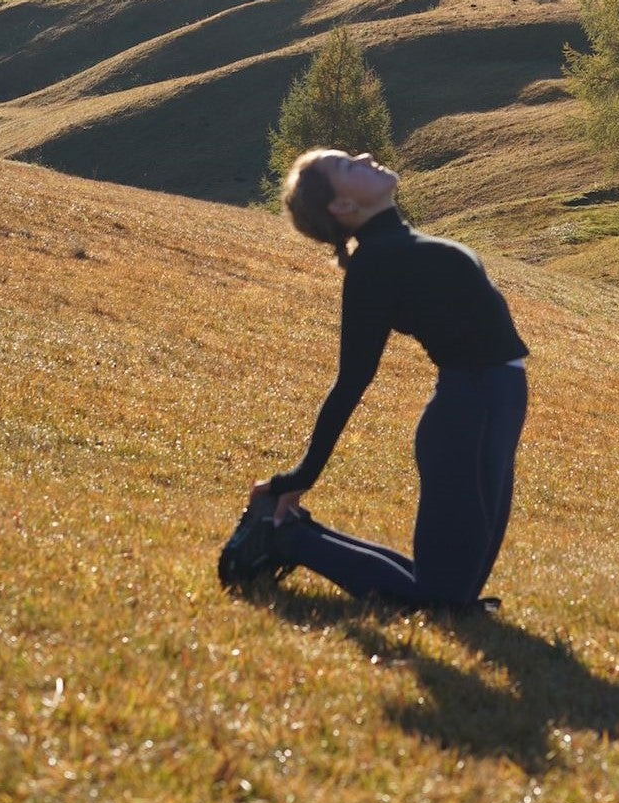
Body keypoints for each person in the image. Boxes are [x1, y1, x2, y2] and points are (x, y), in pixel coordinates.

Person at [219, 148, 529, 609]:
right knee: (444, 600)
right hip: (470, 410)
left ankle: (295, 532)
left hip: (492, 404)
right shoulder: (374, 264)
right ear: (343, 207)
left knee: (454, 593)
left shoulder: (394, 246)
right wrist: (303, 473)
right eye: (347, 165)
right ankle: (286, 542)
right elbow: (352, 379)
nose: (364, 156)